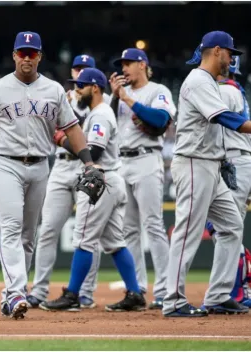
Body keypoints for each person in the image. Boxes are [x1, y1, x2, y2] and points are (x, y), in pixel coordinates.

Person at [0, 31, 99, 320]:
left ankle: (9, 296)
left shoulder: (53, 90)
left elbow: (72, 128)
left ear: (39, 56)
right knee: (12, 228)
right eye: (22, 52)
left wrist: (88, 163)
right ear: (14, 55)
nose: (26, 57)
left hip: (41, 164)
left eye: (32, 52)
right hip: (5, 164)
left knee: (29, 236)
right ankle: (16, 292)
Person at [40, 68, 146, 312]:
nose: (77, 89)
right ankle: (135, 294)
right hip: (109, 179)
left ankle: (73, 295)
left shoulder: (100, 115)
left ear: (95, 88)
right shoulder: (97, 114)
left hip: (101, 179)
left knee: (84, 239)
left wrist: (61, 139)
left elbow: (94, 153)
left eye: (82, 85)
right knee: (114, 242)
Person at [163, 31, 251, 317]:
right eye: (230, 53)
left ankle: (218, 295)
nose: (232, 59)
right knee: (187, 232)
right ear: (216, 51)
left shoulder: (209, 82)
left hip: (211, 165)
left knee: (232, 226)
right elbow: (225, 118)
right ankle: (173, 301)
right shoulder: (198, 80)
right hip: (193, 163)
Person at [27, 54, 101, 310]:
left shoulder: (100, 102)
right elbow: (47, 129)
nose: (80, 73)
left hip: (87, 167)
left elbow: (88, 140)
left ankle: (85, 292)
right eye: (77, 69)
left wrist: (62, 133)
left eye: (85, 69)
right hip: (60, 166)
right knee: (47, 229)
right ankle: (38, 290)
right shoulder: (60, 97)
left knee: (87, 235)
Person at [109, 48, 177, 310]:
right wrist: (116, 98)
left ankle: (164, 290)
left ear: (142, 65)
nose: (123, 68)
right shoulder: (118, 96)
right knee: (128, 231)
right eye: (121, 64)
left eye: (128, 63)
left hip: (147, 159)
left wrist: (126, 98)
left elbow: (160, 119)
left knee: (153, 225)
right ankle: (136, 291)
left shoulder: (158, 90)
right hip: (121, 162)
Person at [187, 46, 251, 308]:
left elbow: (220, 123)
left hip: (233, 160)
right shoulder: (235, 90)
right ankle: (236, 290)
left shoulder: (225, 90)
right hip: (238, 160)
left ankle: (235, 292)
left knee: (226, 229)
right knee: (229, 228)